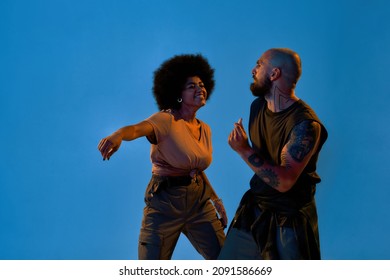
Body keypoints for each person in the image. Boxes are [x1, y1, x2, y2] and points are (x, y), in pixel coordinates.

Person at [98, 54, 227, 260]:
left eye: (201, 85)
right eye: (191, 86)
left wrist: (215, 199)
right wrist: (117, 135)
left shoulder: (206, 129)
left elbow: (195, 169)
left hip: (198, 203)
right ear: (178, 92)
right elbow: (136, 129)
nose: (199, 89)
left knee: (228, 261)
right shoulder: (165, 120)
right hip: (164, 204)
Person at [218, 48, 328, 260]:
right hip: (255, 208)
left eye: (259, 65)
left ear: (274, 73)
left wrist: (243, 149)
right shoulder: (258, 107)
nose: (253, 70)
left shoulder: (305, 125)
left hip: (290, 219)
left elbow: (284, 182)